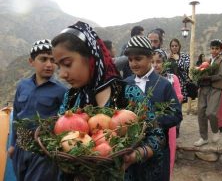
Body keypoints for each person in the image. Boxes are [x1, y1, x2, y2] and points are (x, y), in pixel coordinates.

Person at [51, 21, 166, 181]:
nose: (62, 74)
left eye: (67, 64)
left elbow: (157, 135)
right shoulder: (71, 98)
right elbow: (59, 138)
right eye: (59, 67)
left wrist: (135, 155)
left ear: (91, 58)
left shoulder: (128, 94)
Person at [124, 35, 183, 181]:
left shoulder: (164, 85)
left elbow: (176, 115)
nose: (133, 64)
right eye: (130, 60)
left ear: (150, 57)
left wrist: (150, 121)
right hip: (130, 150)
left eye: (138, 59)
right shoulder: (124, 84)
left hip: (157, 152)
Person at [8, 39, 67, 181]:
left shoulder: (61, 91)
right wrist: (12, 145)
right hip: (20, 150)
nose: (49, 64)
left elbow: (64, 123)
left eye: (52, 60)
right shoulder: (23, 86)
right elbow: (16, 115)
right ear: (31, 61)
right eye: (43, 59)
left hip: (43, 152)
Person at [152, 49, 183, 179]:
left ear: (164, 63)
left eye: (158, 62)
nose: (155, 65)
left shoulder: (171, 78)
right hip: (151, 124)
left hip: (167, 125)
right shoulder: (148, 80)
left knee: (167, 152)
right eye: (152, 62)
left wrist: (165, 105)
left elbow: (179, 97)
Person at [194, 40, 222, 147]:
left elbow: (220, 76)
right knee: (201, 113)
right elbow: (202, 71)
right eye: (212, 48)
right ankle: (203, 138)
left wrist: (207, 77)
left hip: (215, 88)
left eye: (216, 48)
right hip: (204, 88)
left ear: (220, 50)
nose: (214, 50)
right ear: (210, 49)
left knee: (211, 112)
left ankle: (215, 130)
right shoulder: (208, 61)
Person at [169, 38, 190, 103]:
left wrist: (178, 59)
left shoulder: (185, 56)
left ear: (179, 46)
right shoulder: (168, 58)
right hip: (171, 84)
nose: (174, 47)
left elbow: (186, 67)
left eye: (176, 46)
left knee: (179, 103)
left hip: (181, 84)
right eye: (172, 46)